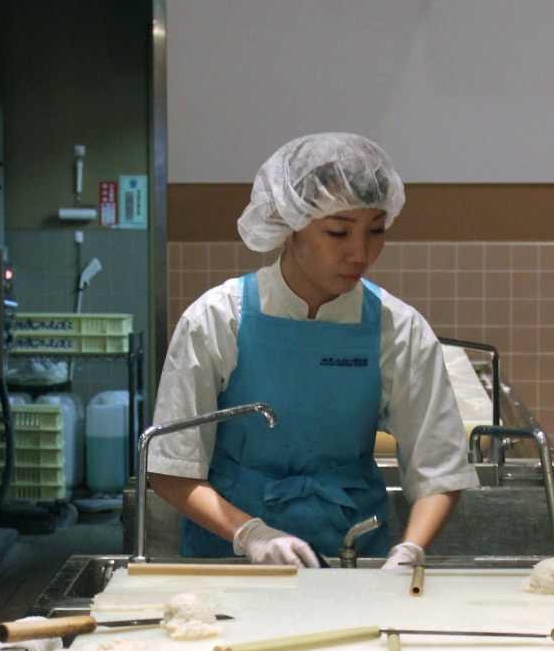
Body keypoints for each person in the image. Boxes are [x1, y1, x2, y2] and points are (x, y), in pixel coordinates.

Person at [148, 132, 479, 567]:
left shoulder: (397, 330)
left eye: (376, 231)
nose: (360, 253)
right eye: (338, 232)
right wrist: (250, 535)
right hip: (227, 560)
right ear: (287, 224)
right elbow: (171, 469)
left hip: (353, 556)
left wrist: (410, 549)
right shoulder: (216, 320)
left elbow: (439, 467)